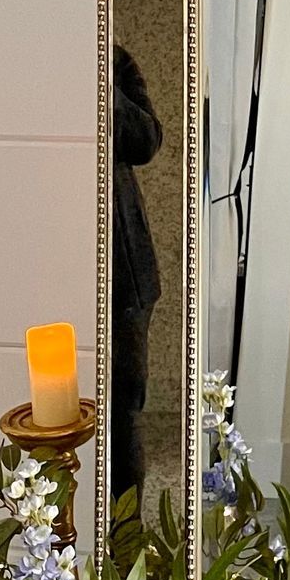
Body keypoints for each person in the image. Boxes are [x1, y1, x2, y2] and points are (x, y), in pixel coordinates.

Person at [110, 40, 164, 500]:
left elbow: (146, 142)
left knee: (123, 405)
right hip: (45, 252)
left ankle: (125, 540)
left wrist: (104, 80)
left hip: (124, 271)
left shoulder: (117, 58)